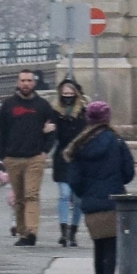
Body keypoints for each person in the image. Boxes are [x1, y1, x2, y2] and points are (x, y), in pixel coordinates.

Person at [64, 100, 137, 274]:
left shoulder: (80, 144)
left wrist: (85, 193)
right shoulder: (116, 141)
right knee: (112, 248)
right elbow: (129, 172)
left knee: (99, 247)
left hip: (91, 204)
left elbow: (75, 179)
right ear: (107, 118)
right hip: (115, 202)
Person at [0, 69, 57, 246]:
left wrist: (45, 150)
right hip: (13, 158)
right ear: (17, 83)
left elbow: (52, 129)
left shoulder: (43, 106)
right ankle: (22, 232)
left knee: (31, 195)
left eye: (29, 80)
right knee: (19, 198)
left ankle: (31, 231)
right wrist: (2, 156)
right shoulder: (8, 106)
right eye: (23, 80)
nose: (26, 84)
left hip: (34, 157)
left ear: (34, 83)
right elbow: (1, 132)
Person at [46, 77, 90, 247]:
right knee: (64, 194)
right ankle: (63, 230)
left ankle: (73, 230)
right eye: (65, 94)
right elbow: (51, 134)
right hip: (62, 157)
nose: (68, 96)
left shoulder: (83, 111)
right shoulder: (55, 112)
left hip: (80, 158)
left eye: (71, 93)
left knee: (78, 198)